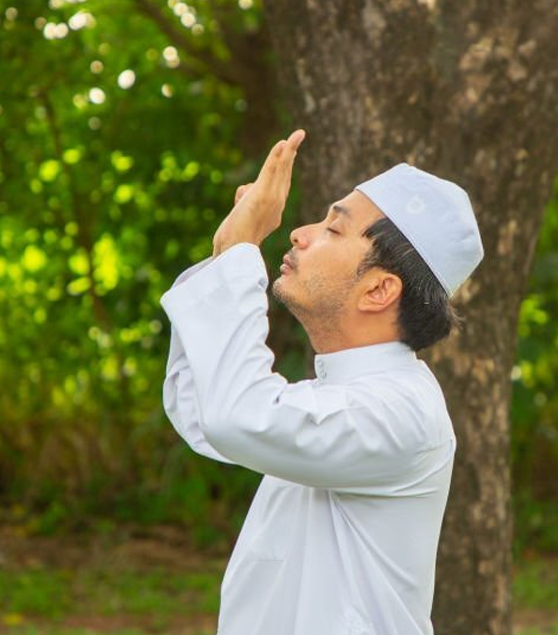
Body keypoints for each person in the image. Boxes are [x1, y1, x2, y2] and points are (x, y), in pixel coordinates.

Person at [159, 129, 484, 635]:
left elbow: (237, 417)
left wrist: (239, 250)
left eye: (333, 229)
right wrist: (226, 256)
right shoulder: (336, 397)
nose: (299, 233)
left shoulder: (402, 411)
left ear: (378, 290)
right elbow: (202, 408)